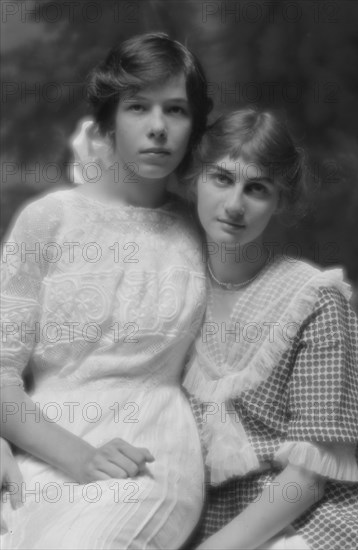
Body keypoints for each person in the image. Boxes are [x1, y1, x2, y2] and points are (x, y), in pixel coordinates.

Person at [0, 33, 212, 549]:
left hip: (149, 452)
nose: (158, 128)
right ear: (109, 121)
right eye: (139, 107)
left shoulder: (204, 230)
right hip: (42, 443)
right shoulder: (47, 219)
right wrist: (69, 454)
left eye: (177, 110)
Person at [182, 108, 358, 549]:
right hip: (202, 518)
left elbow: (309, 478)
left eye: (256, 189)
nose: (235, 205)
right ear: (195, 178)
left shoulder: (313, 301)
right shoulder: (171, 295)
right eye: (221, 179)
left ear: (280, 201)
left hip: (311, 519)